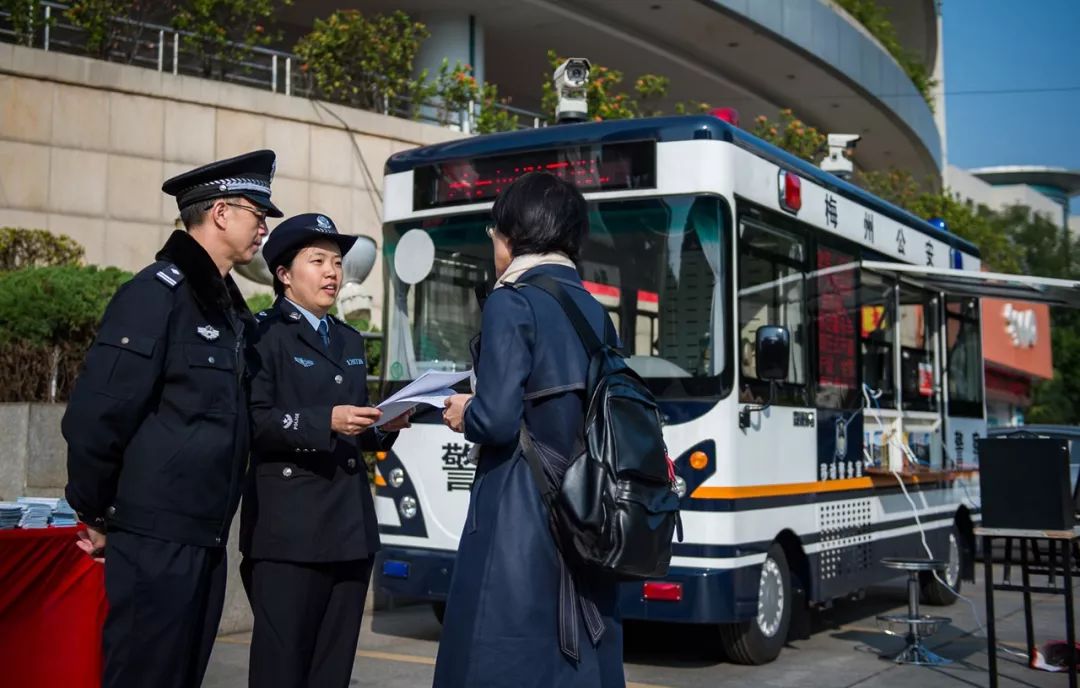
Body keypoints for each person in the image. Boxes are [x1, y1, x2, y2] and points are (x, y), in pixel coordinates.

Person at [62, 150, 281, 688]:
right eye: (258, 213)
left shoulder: (227, 311)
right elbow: (99, 414)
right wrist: (95, 510)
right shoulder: (157, 295)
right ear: (223, 213)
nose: (263, 229)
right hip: (152, 538)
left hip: (204, 537)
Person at [436, 172, 625, 687]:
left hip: (519, 510)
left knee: (500, 654)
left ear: (513, 235)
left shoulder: (512, 300)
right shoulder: (592, 310)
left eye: (494, 232)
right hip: (586, 509)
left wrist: (463, 412)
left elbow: (496, 418)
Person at [239, 213, 412, 688]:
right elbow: (253, 422)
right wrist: (325, 421)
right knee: (281, 669)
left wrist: (386, 425)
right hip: (289, 533)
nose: (332, 272)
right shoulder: (260, 335)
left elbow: (354, 431)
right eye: (317, 261)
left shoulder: (349, 339)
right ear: (284, 274)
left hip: (349, 531)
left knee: (331, 672)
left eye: (337, 262)